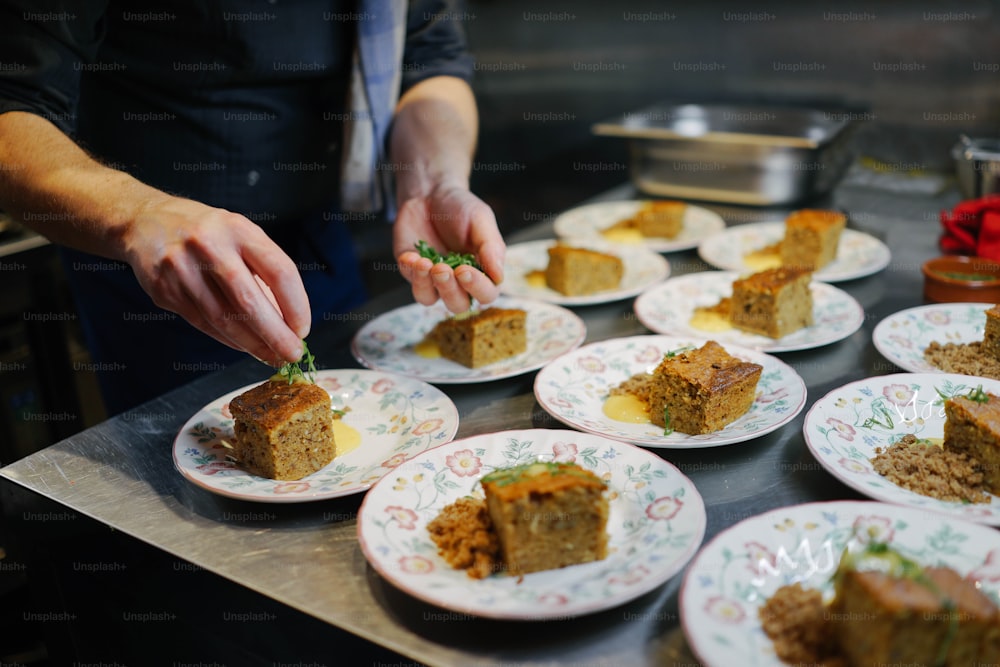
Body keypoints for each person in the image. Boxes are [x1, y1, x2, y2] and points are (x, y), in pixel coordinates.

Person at [0, 0, 504, 415]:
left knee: (357, 431)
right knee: (188, 488)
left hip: (318, 242)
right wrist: (138, 216)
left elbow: (431, 59)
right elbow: (11, 105)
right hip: (162, 271)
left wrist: (433, 185)